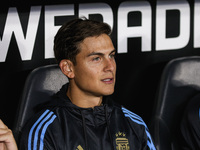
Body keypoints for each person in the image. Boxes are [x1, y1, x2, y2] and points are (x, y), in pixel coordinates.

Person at [20, 18, 156, 150]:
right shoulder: (45, 130)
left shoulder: (134, 124)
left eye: (111, 56)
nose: (110, 67)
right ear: (68, 68)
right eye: (96, 58)